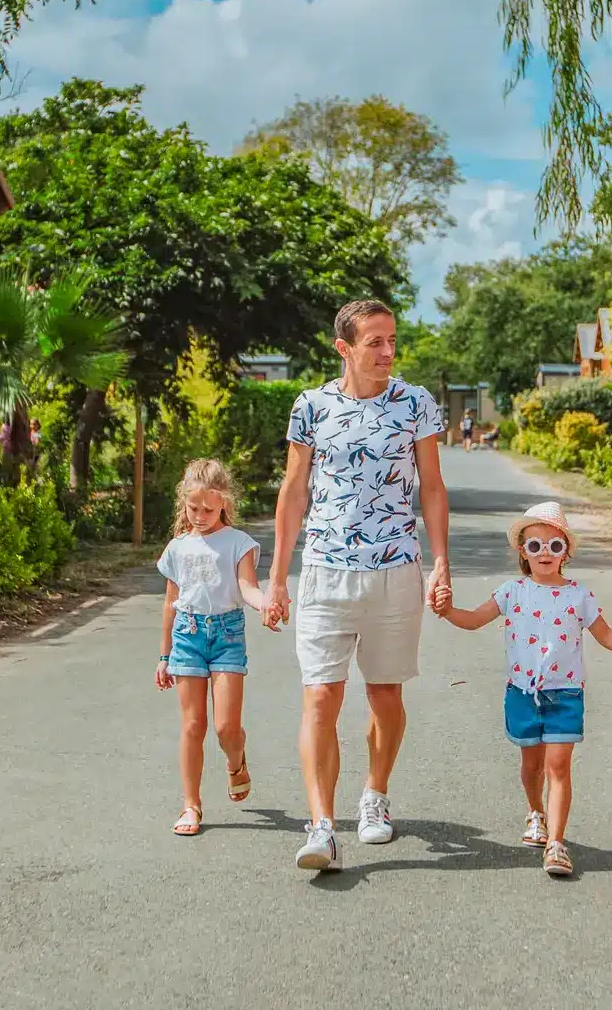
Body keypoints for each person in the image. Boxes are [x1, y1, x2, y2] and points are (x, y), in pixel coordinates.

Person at [267, 299, 451, 872]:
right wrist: (277, 577)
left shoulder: (416, 403)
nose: (388, 352)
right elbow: (294, 493)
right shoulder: (311, 407)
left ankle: (375, 793)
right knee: (321, 695)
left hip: (396, 569)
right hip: (325, 569)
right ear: (343, 348)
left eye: (392, 340)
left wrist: (441, 562)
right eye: (375, 342)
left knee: (385, 696)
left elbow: (434, 489)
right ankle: (321, 826)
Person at [435, 500, 612, 878]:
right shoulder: (511, 592)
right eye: (535, 546)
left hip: (565, 694)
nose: (544, 554)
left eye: (554, 546)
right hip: (522, 693)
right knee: (531, 764)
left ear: (566, 552)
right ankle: (536, 812)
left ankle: (557, 844)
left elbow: (606, 634)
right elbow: (474, 619)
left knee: (558, 765)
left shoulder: (580, 596)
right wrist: (449, 611)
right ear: (522, 552)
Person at [155, 459, 269, 837]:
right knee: (192, 726)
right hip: (187, 636)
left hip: (227, 636)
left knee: (225, 727)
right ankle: (191, 805)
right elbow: (171, 601)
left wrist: (265, 603)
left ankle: (236, 761)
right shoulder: (177, 547)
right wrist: (164, 654)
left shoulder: (238, 543)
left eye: (208, 509)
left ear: (224, 503)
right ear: (183, 504)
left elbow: (247, 587)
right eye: (193, 508)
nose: (200, 516)